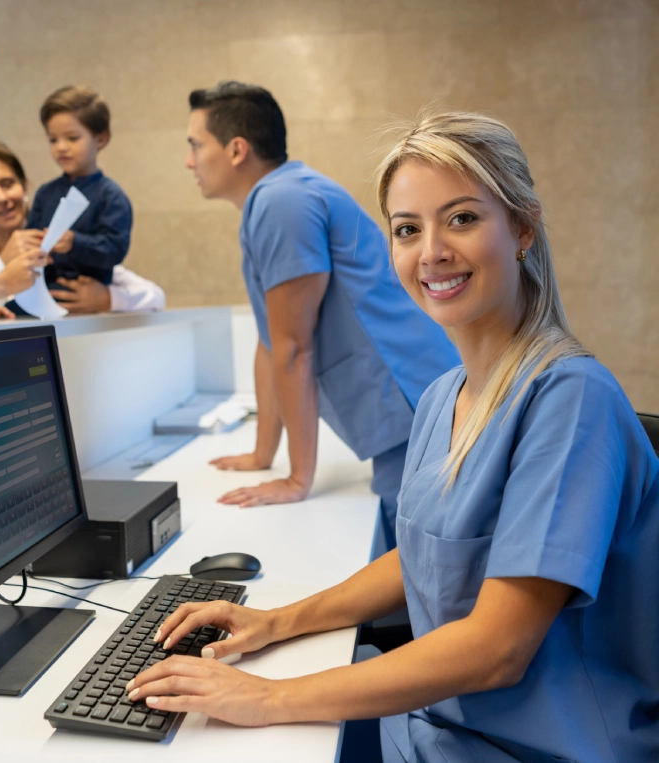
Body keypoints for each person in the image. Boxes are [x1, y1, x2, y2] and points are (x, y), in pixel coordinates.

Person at [126, 112, 659, 763]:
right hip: (440, 728)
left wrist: (268, 696)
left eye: (461, 218)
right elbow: (426, 557)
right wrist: (275, 621)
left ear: (521, 226)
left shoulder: (571, 400)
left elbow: (497, 647)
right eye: (407, 229)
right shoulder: (443, 398)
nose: (431, 250)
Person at [185, 82, 459, 546]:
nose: (189, 161)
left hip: (411, 399)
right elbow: (271, 340)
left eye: (195, 146)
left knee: (422, 567)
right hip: (404, 399)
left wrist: (297, 480)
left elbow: (294, 347)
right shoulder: (278, 196)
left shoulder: (282, 201)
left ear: (236, 149)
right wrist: (261, 452)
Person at [0, 140, 164, 313]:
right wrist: (2, 262)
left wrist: (108, 299)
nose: (2, 198)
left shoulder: (58, 243)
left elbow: (155, 299)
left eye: (8, 184)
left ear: (25, 186)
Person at [26, 85, 133, 291]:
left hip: (90, 304)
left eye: (72, 138)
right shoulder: (45, 193)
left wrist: (75, 243)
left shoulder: (111, 196)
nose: (61, 147)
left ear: (101, 138)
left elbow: (116, 249)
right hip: (44, 297)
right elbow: (30, 239)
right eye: (53, 140)